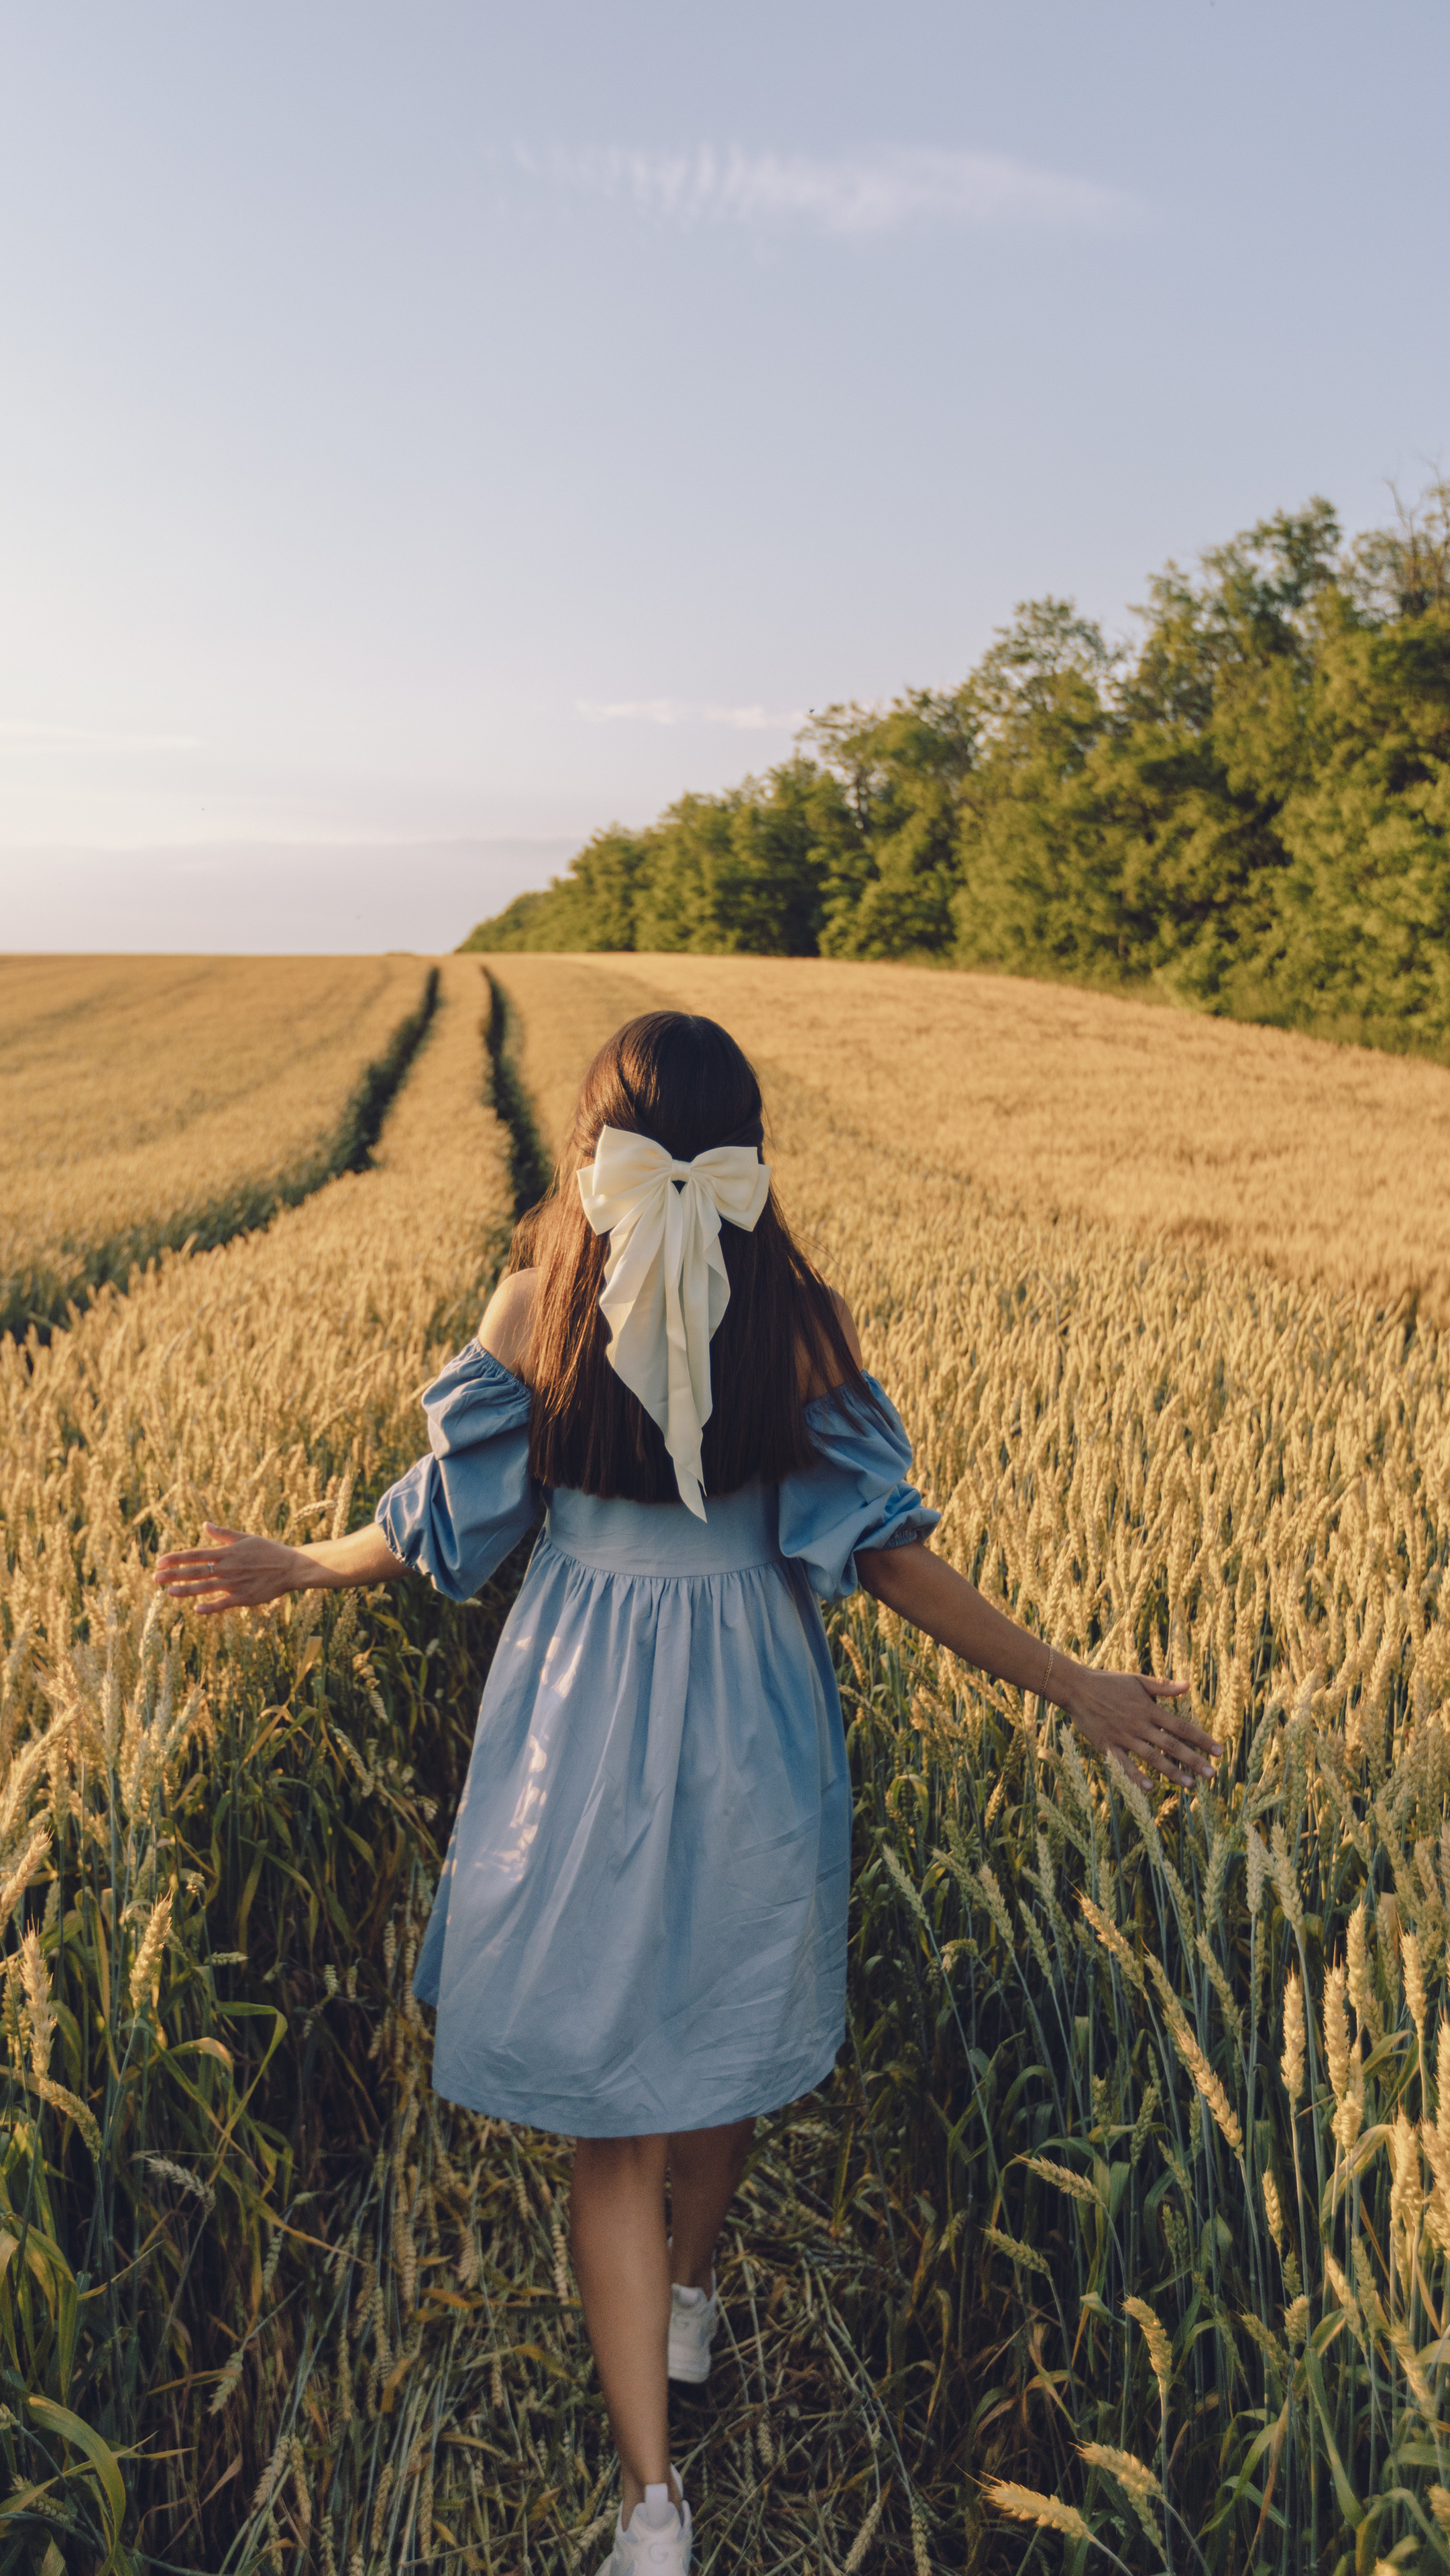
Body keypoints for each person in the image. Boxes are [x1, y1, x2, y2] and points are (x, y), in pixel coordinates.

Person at [156, 1010, 1217, 2575]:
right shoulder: (793, 1315)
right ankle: (691, 2296)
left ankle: (652, 2509)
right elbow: (888, 1551)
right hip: (750, 1704)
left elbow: (451, 1524)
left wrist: (305, 1562)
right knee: (720, 2021)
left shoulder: (539, 1297)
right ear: (747, 1149)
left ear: (590, 1137)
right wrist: (1074, 1684)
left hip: (576, 1704)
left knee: (607, 2111)